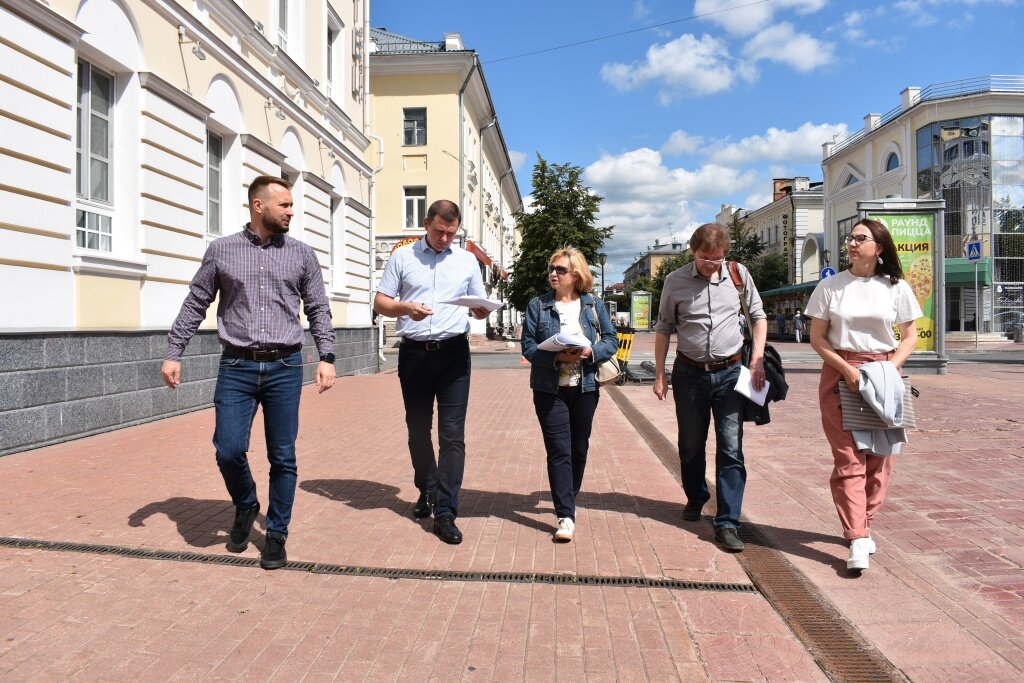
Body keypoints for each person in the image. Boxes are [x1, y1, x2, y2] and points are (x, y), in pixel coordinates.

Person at [162, 175, 336, 570]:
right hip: (237, 365)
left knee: (283, 456)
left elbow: (318, 308)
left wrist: (327, 354)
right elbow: (196, 303)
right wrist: (175, 352)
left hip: (285, 365)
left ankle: (276, 534)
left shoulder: (302, 254)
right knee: (227, 449)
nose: (292, 212)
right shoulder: (222, 251)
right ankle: (245, 504)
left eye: (292, 205)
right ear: (259, 206)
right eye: (285, 205)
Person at [805, 218, 921, 572]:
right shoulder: (831, 287)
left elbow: (911, 335)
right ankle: (856, 537)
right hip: (842, 376)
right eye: (850, 238)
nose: (852, 243)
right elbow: (818, 338)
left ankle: (863, 522)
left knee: (882, 460)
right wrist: (847, 369)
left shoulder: (896, 287)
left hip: (885, 375)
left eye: (861, 238)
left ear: (879, 247)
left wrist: (892, 367)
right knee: (849, 460)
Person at [373, 199, 489, 545]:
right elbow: (381, 302)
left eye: (451, 234)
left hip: (454, 354)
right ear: (427, 224)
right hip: (414, 355)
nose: (444, 238)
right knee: (417, 430)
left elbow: (480, 304)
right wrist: (404, 307)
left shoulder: (467, 260)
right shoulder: (403, 257)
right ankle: (426, 487)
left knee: (452, 435)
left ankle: (447, 511)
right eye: (439, 231)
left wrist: (482, 311)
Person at [653, 223, 767, 552]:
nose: (711, 264)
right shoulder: (675, 281)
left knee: (731, 448)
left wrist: (757, 358)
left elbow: (758, 316)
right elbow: (663, 328)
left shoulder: (737, 274)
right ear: (693, 251)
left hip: (731, 372)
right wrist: (660, 374)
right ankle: (696, 494)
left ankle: (728, 521)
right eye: (706, 258)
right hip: (689, 374)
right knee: (690, 445)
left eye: (717, 258)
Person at [521, 248, 618, 542]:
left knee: (579, 449)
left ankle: (568, 498)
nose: (553, 273)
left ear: (575, 275)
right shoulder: (538, 305)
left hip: (585, 387)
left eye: (560, 270)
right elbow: (527, 346)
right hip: (549, 389)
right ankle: (565, 515)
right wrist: (556, 357)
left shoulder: (592, 305)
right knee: (559, 450)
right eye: (551, 268)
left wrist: (589, 352)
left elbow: (612, 339)